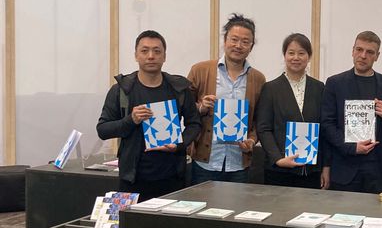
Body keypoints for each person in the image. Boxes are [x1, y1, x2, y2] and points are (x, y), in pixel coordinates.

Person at [96, 30, 201, 201]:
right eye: (144, 51)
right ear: (136, 55)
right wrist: (130, 120)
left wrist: (179, 144)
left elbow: (194, 124)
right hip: (132, 179)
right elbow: (103, 130)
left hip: (173, 178)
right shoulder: (122, 91)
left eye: (157, 51)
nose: (151, 56)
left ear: (164, 56)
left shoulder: (179, 89)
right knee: (132, 220)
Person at [187, 13, 266, 184]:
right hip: (205, 161)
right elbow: (184, 108)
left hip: (238, 163)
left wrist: (252, 140)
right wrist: (201, 107)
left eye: (245, 41)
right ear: (225, 40)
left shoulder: (258, 79)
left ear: (251, 46)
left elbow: (260, 120)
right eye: (234, 39)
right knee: (201, 201)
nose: (238, 46)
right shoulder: (200, 70)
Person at [321, 31, 382, 194]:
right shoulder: (334, 83)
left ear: (377, 56)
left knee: (375, 211)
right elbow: (327, 124)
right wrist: (350, 147)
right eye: (359, 49)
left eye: (370, 52)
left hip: (376, 169)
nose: (363, 56)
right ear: (352, 51)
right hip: (343, 166)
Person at [256, 33, 329, 190]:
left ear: (309, 57)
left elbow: (325, 129)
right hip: (279, 170)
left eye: (301, 53)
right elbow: (263, 128)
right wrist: (277, 158)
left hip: (311, 170)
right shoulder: (270, 88)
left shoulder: (319, 88)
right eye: (291, 53)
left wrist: (325, 167)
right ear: (284, 55)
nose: (296, 58)